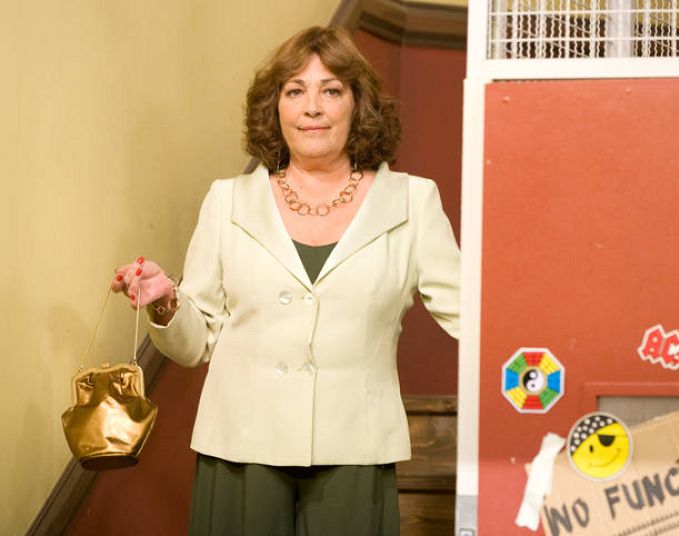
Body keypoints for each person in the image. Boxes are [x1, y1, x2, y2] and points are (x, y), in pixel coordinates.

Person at [111, 26, 459, 536]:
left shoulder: (412, 201)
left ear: (358, 104)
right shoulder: (227, 201)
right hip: (239, 448)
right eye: (295, 91)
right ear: (274, 108)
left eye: (331, 90)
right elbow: (194, 343)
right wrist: (165, 302)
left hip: (355, 449)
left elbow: (473, 315)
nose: (312, 107)